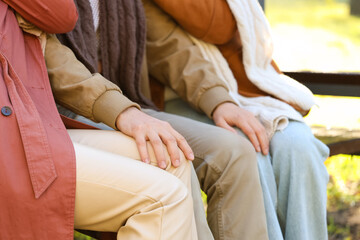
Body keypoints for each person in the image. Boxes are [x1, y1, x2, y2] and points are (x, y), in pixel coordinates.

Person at [56, 0, 270, 239]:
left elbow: (170, 47)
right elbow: (53, 63)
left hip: (126, 106)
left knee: (234, 151)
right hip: (66, 113)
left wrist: (219, 100)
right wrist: (120, 111)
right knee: (171, 154)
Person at [0, 1, 199, 239]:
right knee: (164, 197)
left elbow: (54, 54)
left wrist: (123, 111)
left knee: (169, 159)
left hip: (27, 126)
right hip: (11, 140)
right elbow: (62, 14)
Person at [145, 0, 330, 240]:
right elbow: (213, 26)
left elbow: (224, 24)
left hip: (241, 89)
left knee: (299, 145)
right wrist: (219, 101)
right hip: (173, 96)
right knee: (247, 151)